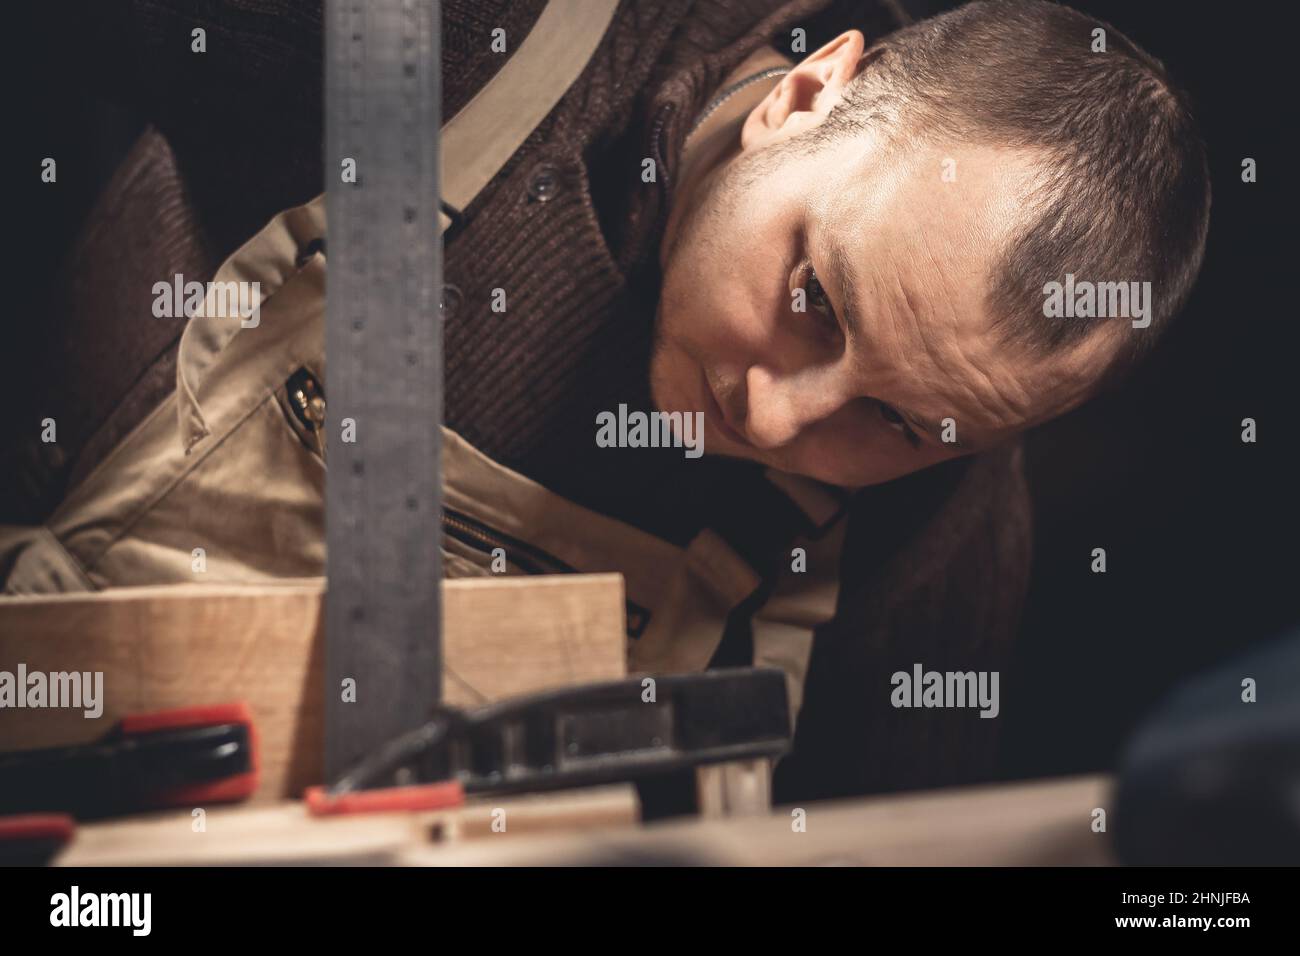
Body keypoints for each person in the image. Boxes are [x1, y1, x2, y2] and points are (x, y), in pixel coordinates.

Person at [1, 0, 1209, 802]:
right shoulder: (456, 43)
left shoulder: (946, 509)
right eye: (814, 302)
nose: (777, 419)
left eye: (895, 423)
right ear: (808, 94)